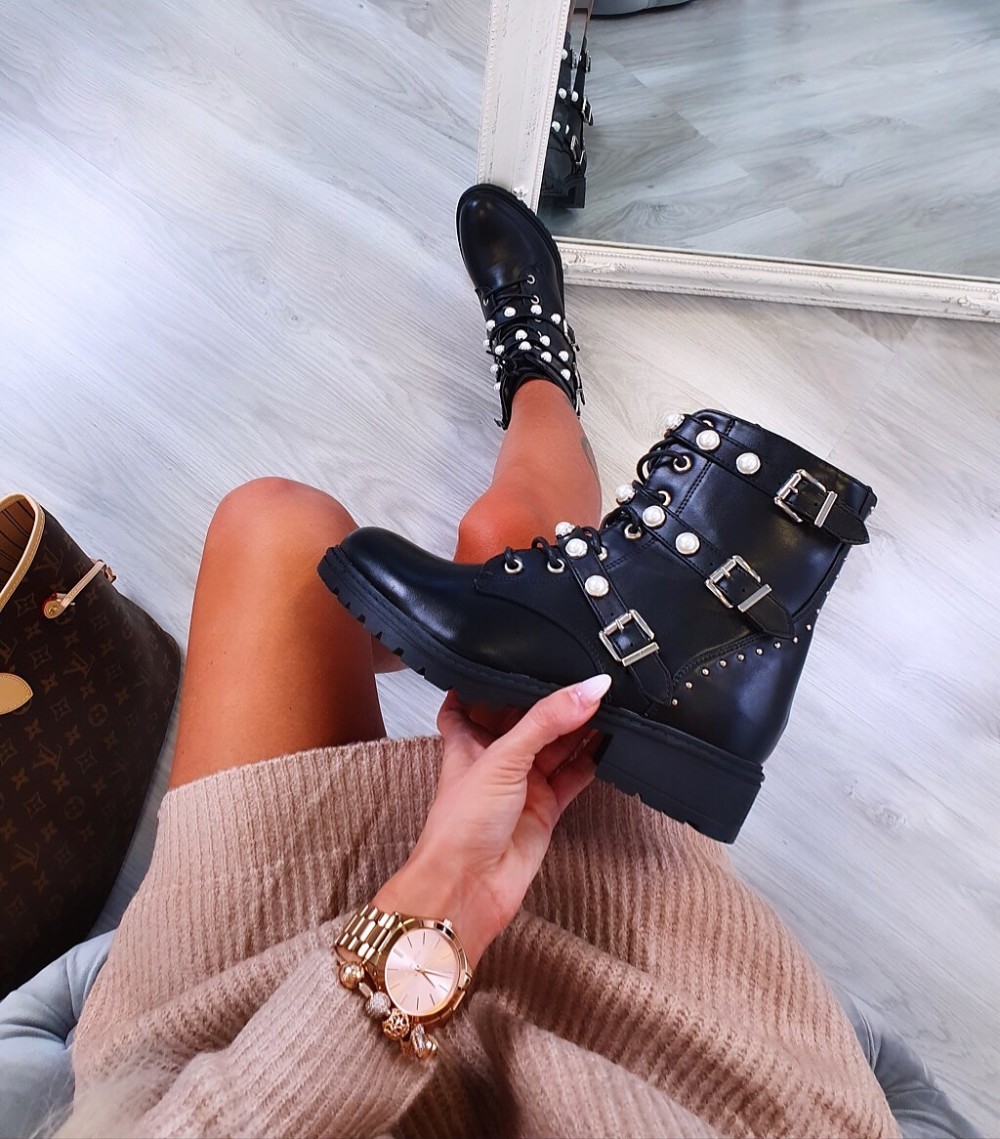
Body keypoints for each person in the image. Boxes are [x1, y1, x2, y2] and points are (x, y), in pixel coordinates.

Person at [61, 187, 902, 1139]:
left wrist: (429, 901)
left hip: (230, 1052)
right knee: (506, 538)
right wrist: (446, 909)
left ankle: (508, 485)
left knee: (275, 525)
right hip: (629, 1050)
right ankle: (541, 376)